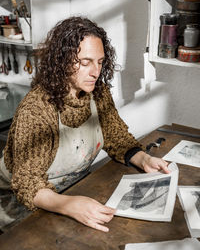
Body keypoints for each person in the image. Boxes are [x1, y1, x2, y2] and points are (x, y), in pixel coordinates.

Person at [0, 16, 169, 232]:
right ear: (61, 60)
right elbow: (27, 182)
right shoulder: (37, 109)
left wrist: (144, 159)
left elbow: (117, 138)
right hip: (18, 202)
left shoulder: (97, 93)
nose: (95, 72)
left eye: (99, 62)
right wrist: (68, 204)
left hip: (69, 191)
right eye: (85, 62)